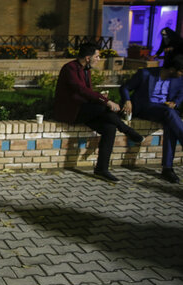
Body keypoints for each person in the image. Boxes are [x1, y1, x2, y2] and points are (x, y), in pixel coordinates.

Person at [53, 43, 143, 182]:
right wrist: (105, 101)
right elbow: (81, 90)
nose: (99, 59)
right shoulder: (70, 68)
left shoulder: (86, 69)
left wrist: (101, 98)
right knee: (104, 108)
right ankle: (126, 129)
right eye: (97, 56)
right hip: (72, 111)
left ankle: (101, 169)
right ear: (88, 58)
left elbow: (87, 93)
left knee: (109, 128)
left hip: (85, 110)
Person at [120, 55, 183, 184]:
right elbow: (125, 87)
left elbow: (181, 93)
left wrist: (175, 102)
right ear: (172, 69)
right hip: (145, 108)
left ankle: (167, 169)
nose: (182, 74)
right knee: (170, 114)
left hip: (164, 110)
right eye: (181, 71)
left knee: (170, 123)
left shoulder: (178, 79)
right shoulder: (145, 74)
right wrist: (127, 100)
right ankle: (167, 168)